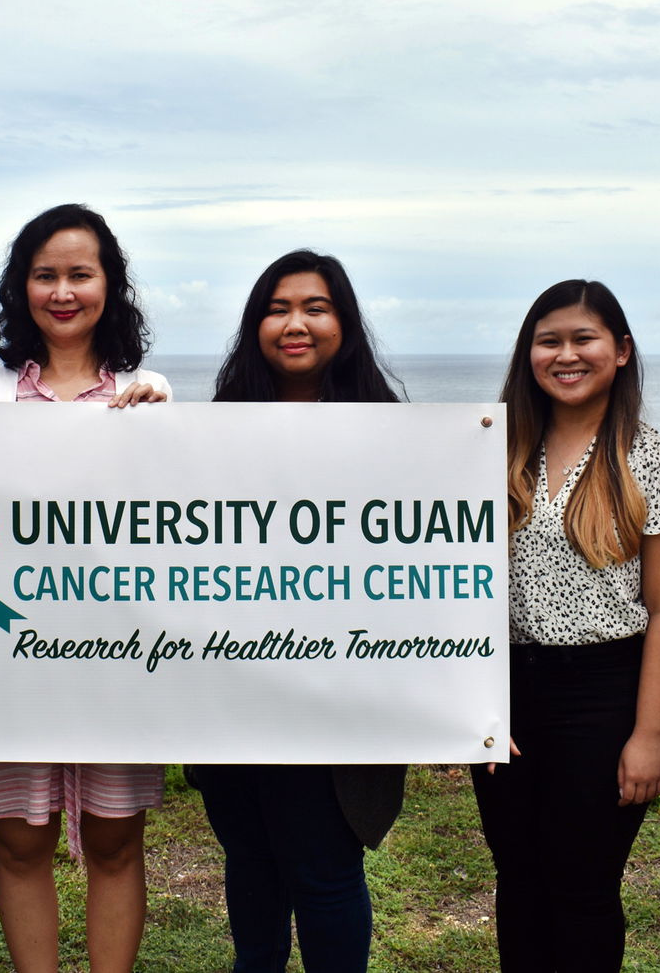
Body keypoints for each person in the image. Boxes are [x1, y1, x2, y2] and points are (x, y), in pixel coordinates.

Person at [469, 279, 660, 972]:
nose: (566, 355)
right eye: (550, 340)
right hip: (506, 686)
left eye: (584, 339)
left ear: (621, 351)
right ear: (529, 352)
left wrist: (649, 734)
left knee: (582, 886)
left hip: (606, 693)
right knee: (517, 876)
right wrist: (471, 701)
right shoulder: (494, 449)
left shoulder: (648, 459)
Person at [0, 203, 169, 973]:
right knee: (20, 841)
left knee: (117, 837)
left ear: (109, 286)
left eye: (80, 274)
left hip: (121, 657)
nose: (62, 290)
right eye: (44, 274)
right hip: (11, 655)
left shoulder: (150, 391)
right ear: (21, 289)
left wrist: (163, 429)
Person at [193, 248, 408, 973]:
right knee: (250, 865)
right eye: (277, 308)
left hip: (336, 700)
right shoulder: (210, 433)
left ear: (343, 323)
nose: (295, 324)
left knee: (321, 874)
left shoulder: (398, 437)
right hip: (232, 692)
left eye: (315, 308)